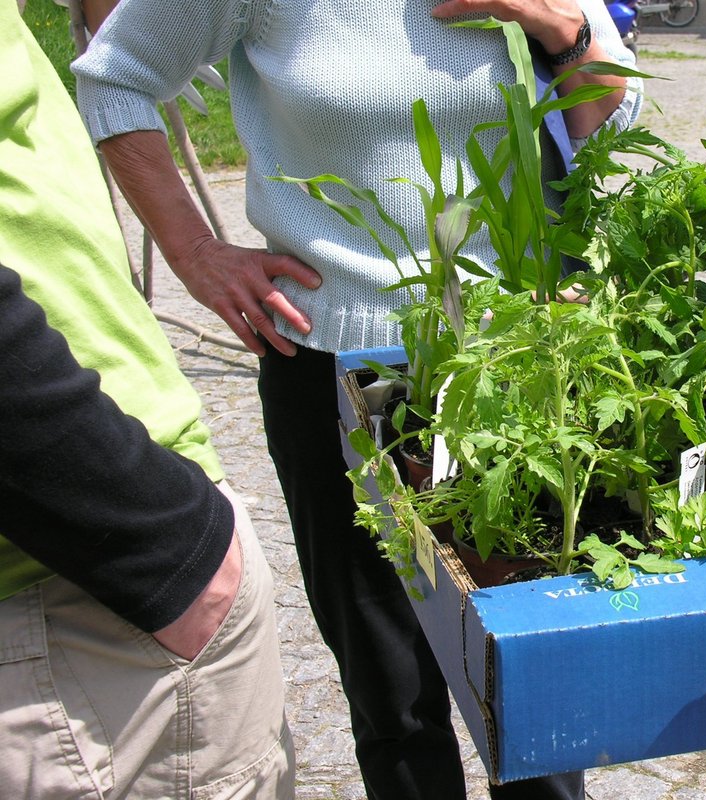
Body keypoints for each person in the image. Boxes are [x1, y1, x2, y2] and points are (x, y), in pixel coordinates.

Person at [71, 1, 641, 797]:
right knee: (393, 691)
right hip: (333, 368)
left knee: (535, 687)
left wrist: (558, 26)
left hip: (515, 368)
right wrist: (197, 253)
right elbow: (113, 78)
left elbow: (613, 123)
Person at [0, 6, 293, 798]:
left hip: (90, 582)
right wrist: (166, 547)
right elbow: (118, 75)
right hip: (81, 585)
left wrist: (562, 33)